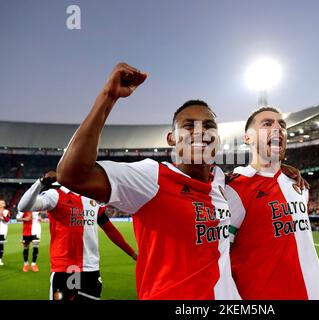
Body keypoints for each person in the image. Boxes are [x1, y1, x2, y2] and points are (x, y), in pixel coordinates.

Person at [55, 63, 241, 300]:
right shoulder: (152, 178)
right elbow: (72, 175)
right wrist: (108, 97)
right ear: (171, 139)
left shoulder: (220, 181)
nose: (200, 132)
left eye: (209, 126)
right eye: (188, 126)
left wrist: (284, 169)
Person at [224, 107, 319, 300]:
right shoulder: (233, 190)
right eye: (267, 124)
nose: (277, 128)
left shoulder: (300, 187)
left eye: (282, 125)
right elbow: (219, 261)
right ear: (247, 138)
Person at [18, 170, 137, 300]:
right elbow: (23, 206)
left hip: (91, 268)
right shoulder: (55, 195)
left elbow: (110, 229)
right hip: (66, 268)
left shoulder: (93, 199)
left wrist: (132, 253)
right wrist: (41, 182)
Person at [0, 200, 11, 266]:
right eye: (0, 203)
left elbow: (7, 220)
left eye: (2, 203)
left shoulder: (6, 211)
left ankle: (0, 259)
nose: (1, 204)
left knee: (0, 244)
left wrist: (2, 216)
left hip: (2, 230)